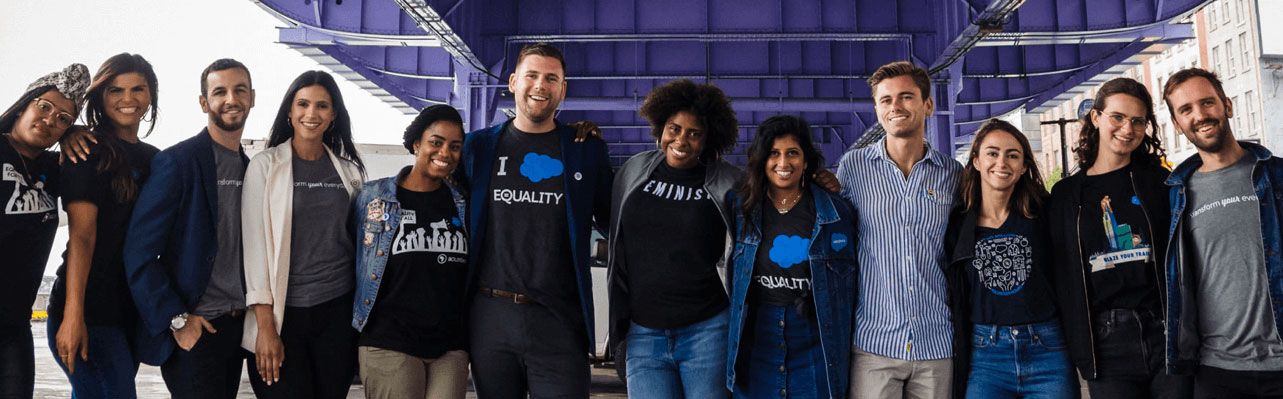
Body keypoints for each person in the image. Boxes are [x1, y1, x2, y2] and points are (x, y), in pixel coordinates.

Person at [456, 42, 613, 398]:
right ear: (513, 82)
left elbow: (616, 223)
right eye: (532, 75)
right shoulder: (477, 148)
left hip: (559, 320)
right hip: (490, 318)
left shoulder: (585, 150)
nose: (540, 85)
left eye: (551, 78)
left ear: (563, 89)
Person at [1046, 77, 1191, 398]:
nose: (1128, 128)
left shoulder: (1159, 183)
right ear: (1096, 118)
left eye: (1138, 121)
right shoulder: (1067, 195)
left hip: (1165, 333)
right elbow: (1060, 271)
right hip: (1106, 343)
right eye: (1118, 117)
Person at [120, 58, 256, 399]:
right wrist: (176, 320)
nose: (231, 99)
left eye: (239, 90)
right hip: (196, 327)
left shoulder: (253, 169)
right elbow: (139, 251)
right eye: (219, 91)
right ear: (203, 102)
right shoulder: (178, 162)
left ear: (252, 98)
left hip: (237, 327)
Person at [834, 60, 962, 399]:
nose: (896, 107)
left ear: (928, 105)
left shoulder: (953, 174)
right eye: (886, 100)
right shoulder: (853, 167)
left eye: (906, 97)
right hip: (874, 343)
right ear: (877, 109)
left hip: (936, 343)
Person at [606, 79, 741, 398]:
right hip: (644, 334)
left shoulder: (730, 181)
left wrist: (815, 181)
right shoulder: (634, 170)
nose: (681, 139)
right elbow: (607, 220)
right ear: (660, 126)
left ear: (708, 139)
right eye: (674, 128)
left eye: (694, 133)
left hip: (708, 332)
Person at [241, 70, 365, 398]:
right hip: (283, 317)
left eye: (322, 106)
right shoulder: (264, 167)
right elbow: (254, 251)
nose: (312, 114)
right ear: (290, 112)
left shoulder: (349, 172)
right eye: (303, 104)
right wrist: (266, 327)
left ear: (334, 115)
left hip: (336, 314)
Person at [1162, 68, 1283, 398]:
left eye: (1207, 103)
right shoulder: (1176, 196)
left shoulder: (1278, 176)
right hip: (1218, 371)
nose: (1200, 115)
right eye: (1186, 110)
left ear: (1227, 105)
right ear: (1176, 124)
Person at [48, 53, 162, 399]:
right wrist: (73, 316)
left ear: (151, 95)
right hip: (87, 311)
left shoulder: (156, 158)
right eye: (115, 90)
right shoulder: (87, 151)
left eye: (137, 89)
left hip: (129, 310)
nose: (128, 99)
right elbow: (81, 238)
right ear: (100, 97)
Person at [725, 115, 857, 399]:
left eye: (792, 153)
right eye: (773, 153)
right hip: (756, 335)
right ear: (762, 159)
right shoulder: (739, 208)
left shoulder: (836, 211)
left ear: (806, 161)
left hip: (814, 335)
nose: (783, 163)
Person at [945, 118, 1076, 398]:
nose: (1001, 162)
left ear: (1024, 167)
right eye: (992, 153)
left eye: (1012, 155)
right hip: (985, 356)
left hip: (1048, 350)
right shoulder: (957, 225)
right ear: (977, 161)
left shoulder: (1044, 214)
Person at [351, 105, 470, 399]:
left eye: (454, 147)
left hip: (450, 346)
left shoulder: (464, 204)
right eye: (436, 142)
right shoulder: (372, 197)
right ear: (417, 143)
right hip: (389, 341)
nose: (445, 153)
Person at [0, 63, 89, 399]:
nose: (51, 119)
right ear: (25, 104)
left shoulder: (57, 168)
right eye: (45, 107)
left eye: (63, 118)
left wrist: (76, 133)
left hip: (13, 330)